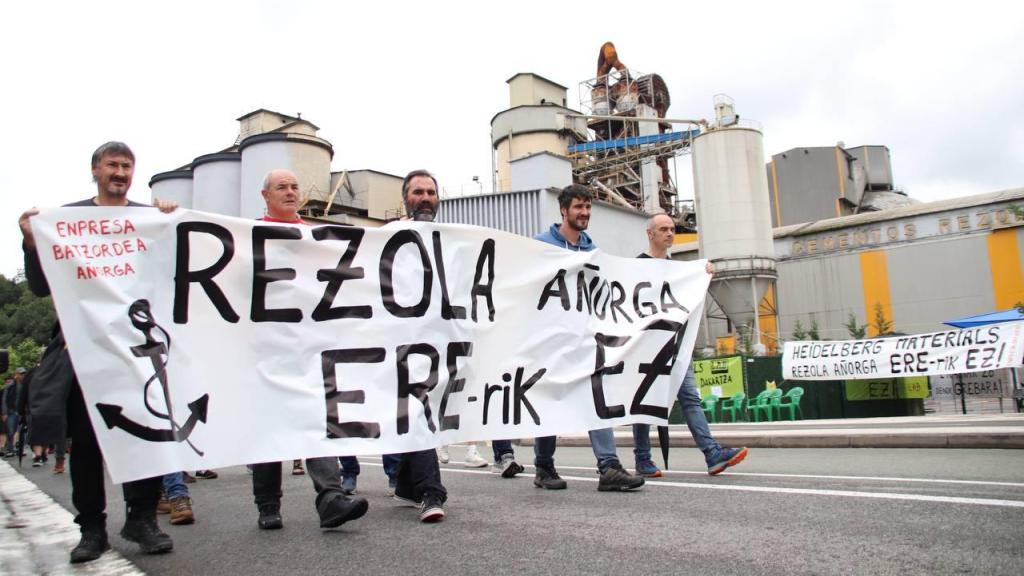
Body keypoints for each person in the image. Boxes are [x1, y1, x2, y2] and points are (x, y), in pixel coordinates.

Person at [19, 141, 177, 563]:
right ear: (96, 169)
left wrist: (172, 222)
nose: (120, 172)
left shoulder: (147, 218)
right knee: (87, 445)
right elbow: (40, 286)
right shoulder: (66, 220)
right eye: (112, 165)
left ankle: (142, 519)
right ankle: (91, 529)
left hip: (135, 351)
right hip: (84, 351)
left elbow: (172, 273)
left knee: (148, 436)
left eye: (127, 165)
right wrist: (32, 244)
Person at [248, 169, 369, 531]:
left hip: (310, 349)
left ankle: (330, 498)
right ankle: (268, 504)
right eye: (281, 187)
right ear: (265, 194)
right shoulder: (247, 235)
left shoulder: (316, 238)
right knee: (270, 424)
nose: (290, 192)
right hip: (267, 347)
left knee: (318, 418)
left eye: (294, 186)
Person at [632, 212, 748, 477]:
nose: (670, 233)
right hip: (648, 350)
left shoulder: (679, 271)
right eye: (663, 229)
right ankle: (643, 459)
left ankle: (712, 454)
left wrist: (703, 273)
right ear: (650, 234)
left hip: (676, 349)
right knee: (644, 404)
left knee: (691, 400)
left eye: (672, 229)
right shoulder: (637, 267)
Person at [383, 170, 452, 523]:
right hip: (402, 345)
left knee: (419, 415)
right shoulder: (388, 237)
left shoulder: (454, 241)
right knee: (420, 411)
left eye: (430, 192)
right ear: (405, 198)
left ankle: (408, 484)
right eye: (418, 192)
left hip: (442, 344)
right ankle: (430, 492)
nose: (425, 197)